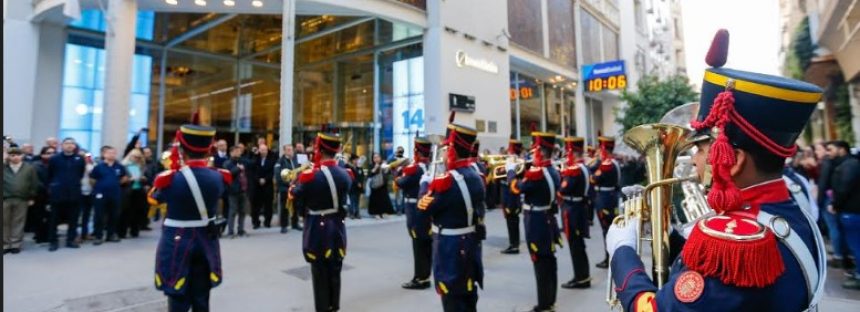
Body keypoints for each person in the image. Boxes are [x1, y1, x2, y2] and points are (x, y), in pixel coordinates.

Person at [607, 29, 826, 311]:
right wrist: (665, 234)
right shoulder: (793, 214)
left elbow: (653, 309)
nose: (694, 159)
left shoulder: (736, 241)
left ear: (733, 160)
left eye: (700, 148)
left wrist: (622, 252)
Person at [150, 124, 230, 311]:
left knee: (177, 299)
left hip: (177, 241)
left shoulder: (170, 179)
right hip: (205, 241)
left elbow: (154, 199)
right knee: (201, 299)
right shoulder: (218, 177)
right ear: (208, 148)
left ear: (182, 149)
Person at [417, 117, 485, 312]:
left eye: (446, 148)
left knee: (453, 302)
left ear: (452, 149)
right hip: (471, 245)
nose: (444, 153)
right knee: (469, 298)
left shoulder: (446, 183)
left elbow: (423, 210)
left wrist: (425, 184)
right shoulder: (475, 176)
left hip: (451, 249)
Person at [290, 132, 353, 312]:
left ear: (319, 149)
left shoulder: (311, 176)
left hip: (318, 227)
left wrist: (294, 182)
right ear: (336, 150)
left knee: (319, 272)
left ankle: (323, 308)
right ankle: (334, 306)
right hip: (338, 226)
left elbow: (295, 195)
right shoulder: (345, 173)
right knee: (335, 268)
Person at [508, 131, 562, 312]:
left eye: (534, 150)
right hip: (547, 219)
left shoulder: (536, 174)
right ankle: (550, 300)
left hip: (537, 223)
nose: (531, 153)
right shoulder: (552, 170)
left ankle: (544, 304)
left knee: (540, 262)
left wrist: (510, 171)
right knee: (549, 261)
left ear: (539, 150)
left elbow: (516, 189)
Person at [396, 136, 434, 290]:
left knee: (418, 246)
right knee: (426, 245)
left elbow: (401, 183)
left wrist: (398, 173)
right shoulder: (429, 167)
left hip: (415, 209)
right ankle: (424, 276)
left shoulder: (415, 168)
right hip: (425, 210)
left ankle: (420, 278)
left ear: (417, 151)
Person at [826, 140, 860, 289]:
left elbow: (844, 188)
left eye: (831, 149)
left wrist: (835, 204)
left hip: (851, 212)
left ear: (842, 150)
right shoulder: (849, 164)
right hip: (850, 211)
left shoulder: (849, 166)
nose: (828, 152)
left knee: (856, 245)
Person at [559, 136, 592, 289]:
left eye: (568, 151)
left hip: (573, 209)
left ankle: (580, 278)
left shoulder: (575, 169)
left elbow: (563, 189)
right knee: (579, 245)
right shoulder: (584, 167)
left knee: (575, 245)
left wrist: (563, 173)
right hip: (579, 207)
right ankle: (583, 276)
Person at [46, 137, 86, 251]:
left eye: (72, 143)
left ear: (74, 146)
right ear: (62, 145)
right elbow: (50, 174)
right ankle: (53, 241)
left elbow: (80, 174)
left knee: (73, 219)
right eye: (67, 143)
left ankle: (70, 240)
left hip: (74, 193)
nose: (69, 145)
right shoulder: (54, 158)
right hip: (58, 193)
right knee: (54, 219)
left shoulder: (80, 159)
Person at [4, 145, 40, 254]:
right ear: (8, 156)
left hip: (22, 199)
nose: (15, 157)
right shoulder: (4, 167)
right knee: (4, 222)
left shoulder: (29, 168)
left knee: (18, 222)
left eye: (18, 155)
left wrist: (32, 197)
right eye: (12, 155)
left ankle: (15, 244)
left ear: (22, 156)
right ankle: (5, 244)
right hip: (5, 198)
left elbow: (34, 184)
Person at [90, 146, 128, 245]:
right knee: (99, 215)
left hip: (115, 194)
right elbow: (92, 180)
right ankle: (98, 236)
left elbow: (124, 178)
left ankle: (111, 234)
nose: (112, 155)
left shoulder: (119, 166)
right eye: (109, 153)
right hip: (100, 194)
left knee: (114, 214)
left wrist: (115, 183)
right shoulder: (99, 166)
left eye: (114, 153)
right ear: (104, 154)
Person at [592, 136, 621, 269]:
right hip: (610, 197)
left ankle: (609, 258)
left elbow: (593, 179)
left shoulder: (606, 164)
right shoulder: (612, 162)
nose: (598, 151)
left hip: (605, 199)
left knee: (607, 230)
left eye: (600, 148)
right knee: (608, 229)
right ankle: (609, 257)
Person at [26, 146, 54, 244]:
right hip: (39, 195)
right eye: (48, 153)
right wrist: (46, 188)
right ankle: (39, 236)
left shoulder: (56, 164)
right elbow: (34, 180)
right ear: (42, 154)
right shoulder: (35, 165)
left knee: (51, 217)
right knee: (39, 216)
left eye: (52, 153)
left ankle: (48, 235)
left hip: (53, 195)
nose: (50, 155)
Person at [501, 139, 524, 254]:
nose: (508, 153)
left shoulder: (516, 162)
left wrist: (510, 168)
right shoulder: (514, 161)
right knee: (512, 221)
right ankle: (514, 243)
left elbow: (513, 181)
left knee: (512, 221)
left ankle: (514, 245)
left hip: (512, 197)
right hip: (510, 196)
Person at [119, 149, 147, 238]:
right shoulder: (124, 165)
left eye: (139, 157)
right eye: (135, 157)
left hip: (138, 190)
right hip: (127, 191)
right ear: (130, 156)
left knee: (137, 211)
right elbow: (121, 180)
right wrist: (130, 179)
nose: (137, 159)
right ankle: (122, 232)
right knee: (125, 212)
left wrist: (143, 179)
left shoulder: (141, 166)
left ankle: (134, 230)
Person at [223, 145, 249, 238]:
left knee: (242, 211)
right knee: (232, 212)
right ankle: (230, 231)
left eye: (239, 151)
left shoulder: (242, 161)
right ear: (231, 152)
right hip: (233, 191)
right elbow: (229, 173)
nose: (239, 153)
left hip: (243, 189)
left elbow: (250, 164)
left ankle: (240, 230)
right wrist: (238, 168)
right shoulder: (227, 163)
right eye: (237, 151)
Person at [250, 144, 275, 229]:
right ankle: (255, 222)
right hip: (257, 185)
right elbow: (252, 171)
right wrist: (258, 179)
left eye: (265, 150)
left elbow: (272, 172)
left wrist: (265, 179)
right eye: (262, 150)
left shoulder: (271, 159)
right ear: (259, 150)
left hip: (267, 185)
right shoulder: (255, 158)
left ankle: (267, 222)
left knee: (268, 205)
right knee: (255, 205)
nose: (263, 152)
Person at [275, 144, 297, 233]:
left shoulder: (295, 160)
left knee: (295, 206)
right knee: (285, 207)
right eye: (288, 150)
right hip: (285, 188)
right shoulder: (280, 161)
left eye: (291, 150)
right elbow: (278, 175)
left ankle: (295, 223)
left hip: (295, 187)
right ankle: (284, 225)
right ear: (284, 151)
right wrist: (288, 183)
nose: (290, 151)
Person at [368, 153, 395, 218]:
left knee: (383, 199)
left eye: (377, 157)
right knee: (375, 199)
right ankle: (376, 213)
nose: (376, 159)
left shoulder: (383, 164)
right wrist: (375, 168)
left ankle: (384, 212)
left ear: (380, 158)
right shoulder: (372, 165)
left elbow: (388, 172)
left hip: (383, 185)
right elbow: (370, 175)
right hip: (375, 186)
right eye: (375, 157)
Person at [79, 152, 95, 241]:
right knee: (79, 215)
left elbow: (94, 179)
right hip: (79, 192)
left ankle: (86, 233)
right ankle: (77, 234)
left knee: (88, 214)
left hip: (90, 192)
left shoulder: (91, 167)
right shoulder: (76, 167)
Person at [345, 154, 364, 219]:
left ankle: (357, 213)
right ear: (352, 160)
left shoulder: (359, 167)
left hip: (359, 187)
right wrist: (357, 183)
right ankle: (351, 213)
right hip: (352, 186)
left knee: (357, 201)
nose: (356, 161)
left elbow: (362, 176)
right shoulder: (348, 166)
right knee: (352, 200)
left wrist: (361, 183)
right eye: (355, 160)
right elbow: (350, 176)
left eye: (357, 160)